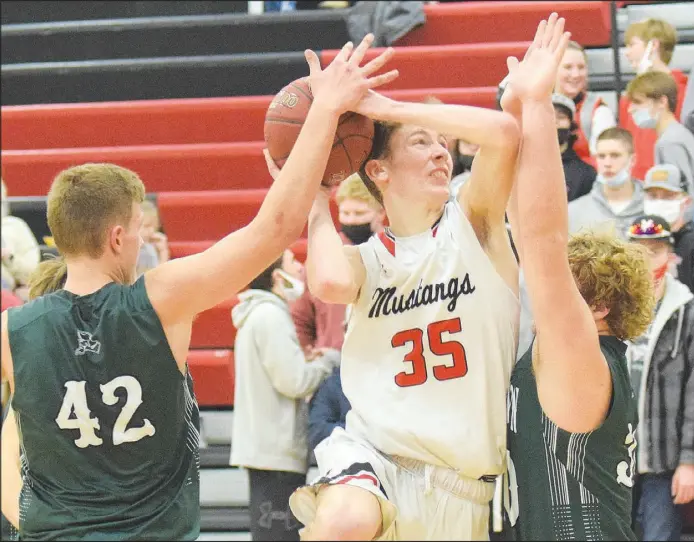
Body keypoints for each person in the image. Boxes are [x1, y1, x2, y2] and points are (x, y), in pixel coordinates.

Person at [0, 34, 398, 540]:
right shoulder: (160, 299)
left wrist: (29, 515)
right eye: (138, 231)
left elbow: (12, 444)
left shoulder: (13, 329)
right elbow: (271, 231)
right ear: (117, 236)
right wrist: (324, 114)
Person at [289, 16, 529, 542]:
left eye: (443, 143)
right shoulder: (368, 260)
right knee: (345, 522)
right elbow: (327, 283)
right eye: (421, 143)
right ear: (379, 171)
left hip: (464, 488)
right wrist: (314, 192)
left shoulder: (475, 226)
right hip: (374, 460)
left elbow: (505, 133)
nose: (442, 152)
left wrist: (389, 109)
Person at [499, 14, 655, 540]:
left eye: (571, 285)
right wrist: (518, 116)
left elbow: (544, 241)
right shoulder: (580, 355)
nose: (552, 290)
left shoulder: (581, 356)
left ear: (599, 307)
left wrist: (541, 105)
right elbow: (527, 227)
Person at [230, 248, 339, 542]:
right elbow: (294, 381)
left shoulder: (261, 314)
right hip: (274, 449)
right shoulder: (270, 316)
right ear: (277, 276)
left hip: (266, 448)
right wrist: (328, 360)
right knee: (279, 535)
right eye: (293, 261)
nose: (300, 267)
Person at [625, 214, 694, 542]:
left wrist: (690, 462)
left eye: (654, 251)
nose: (646, 261)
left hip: (663, 461)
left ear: (670, 256)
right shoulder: (608, 309)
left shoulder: (688, 314)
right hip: (614, 459)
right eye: (638, 251)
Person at [291, 173, 385, 355]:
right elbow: (301, 316)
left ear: (381, 212)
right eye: (345, 213)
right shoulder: (324, 254)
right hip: (335, 361)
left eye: (359, 213)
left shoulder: (394, 250)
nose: (350, 220)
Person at [621, 17, 689, 181]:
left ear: (654, 45)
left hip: (670, 182)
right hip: (636, 183)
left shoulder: (683, 91)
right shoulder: (628, 98)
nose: (626, 52)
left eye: (632, 45)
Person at [626, 70, 694, 220]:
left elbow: (686, 195)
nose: (630, 109)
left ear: (662, 102)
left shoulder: (670, 142)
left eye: (638, 102)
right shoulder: (674, 136)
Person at [568, 127, 645, 238]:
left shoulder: (654, 206)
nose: (607, 163)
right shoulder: (574, 212)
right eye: (601, 156)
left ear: (632, 160)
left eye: (615, 155)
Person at [643, 164, 694, 302]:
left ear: (686, 201)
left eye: (668, 196)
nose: (659, 202)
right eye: (653, 196)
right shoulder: (637, 240)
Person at [554, 40, 615, 164]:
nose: (576, 74)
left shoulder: (599, 111)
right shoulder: (536, 106)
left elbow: (606, 163)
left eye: (581, 67)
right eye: (568, 67)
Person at [551, 92, 596, 201]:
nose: (554, 121)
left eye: (561, 117)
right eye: (548, 116)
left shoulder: (586, 173)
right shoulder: (521, 167)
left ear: (571, 125)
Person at [136, 199, 169, 277]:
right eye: (147, 226)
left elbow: (161, 277)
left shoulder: (150, 247)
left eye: (154, 226)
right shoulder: (131, 251)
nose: (152, 231)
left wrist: (163, 251)